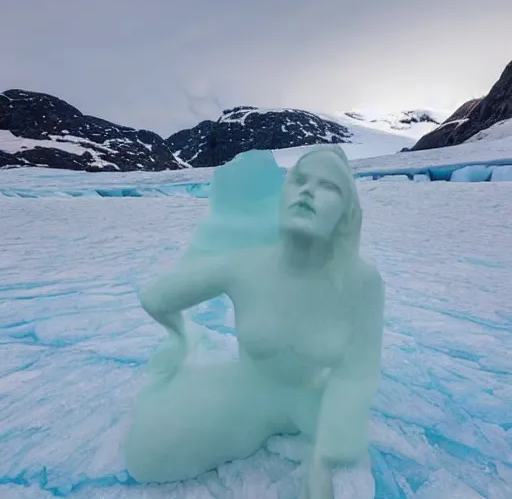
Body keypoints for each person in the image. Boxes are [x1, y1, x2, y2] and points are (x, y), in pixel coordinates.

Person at [123, 145, 385, 499]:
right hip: (249, 391)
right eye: (300, 180)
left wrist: (325, 455)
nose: (307, 191)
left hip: (312, 404)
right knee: (148, 455)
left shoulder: (361, 283)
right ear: (282, 195)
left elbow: (357, 374)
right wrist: (180, 338)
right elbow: (155, 297)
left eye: (329, 187)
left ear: (347, 213)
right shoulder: (247, 265)